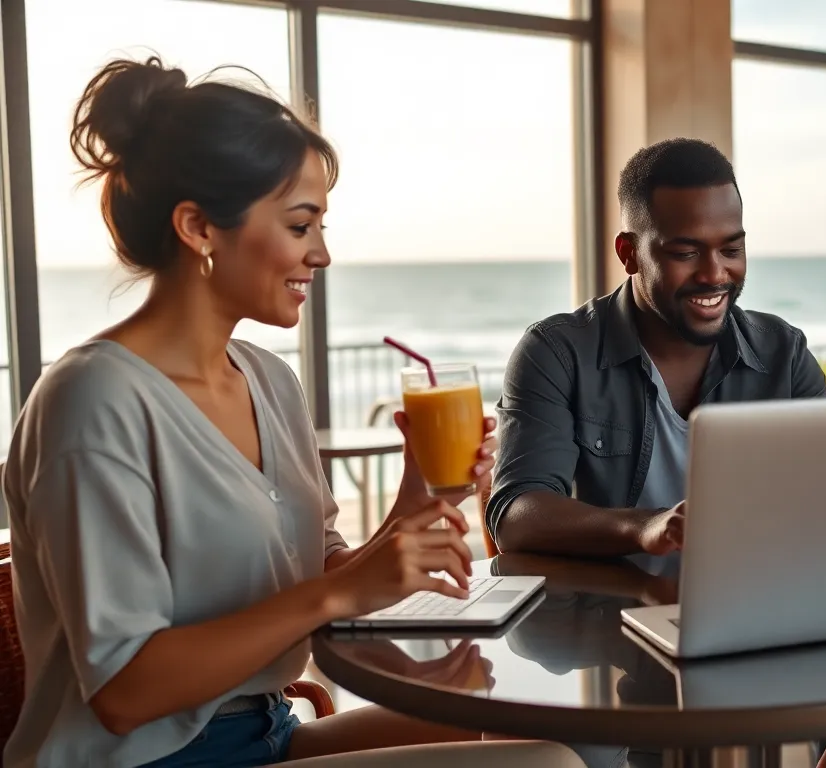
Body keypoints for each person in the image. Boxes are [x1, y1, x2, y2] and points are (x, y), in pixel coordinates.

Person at [2, 57, 581, 768]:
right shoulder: (93, 403)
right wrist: (339, 588)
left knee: (523, 738)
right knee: (542, 767)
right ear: (198, 227)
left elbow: (322, 577)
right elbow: (123, 691)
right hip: (144, 759)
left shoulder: (270, 382)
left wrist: (419, 500)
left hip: (265, 732)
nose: (323, 254)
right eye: (301, 225)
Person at [485, 138, 826, 558]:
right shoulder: (556, 354)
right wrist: (644, 527)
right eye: (686, 252)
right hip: (606, 615)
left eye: (732, 249)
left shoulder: (785, 354)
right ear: (629, 254)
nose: (715, 274)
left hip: (758, 606)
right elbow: (516, 517)